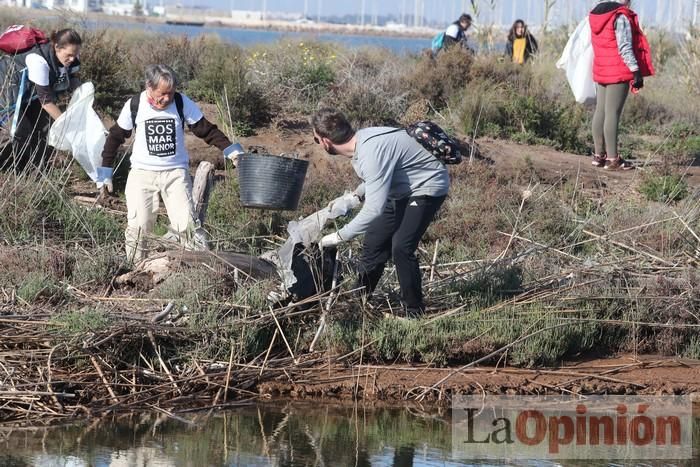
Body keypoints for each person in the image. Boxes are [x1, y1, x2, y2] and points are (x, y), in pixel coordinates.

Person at [312, 108, 449, 317]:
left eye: (315, 139)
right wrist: (355, 196)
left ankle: (414, 313)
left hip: (428, 186)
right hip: (400, 189)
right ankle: (359, 302)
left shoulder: (369, 152)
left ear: (325, 141)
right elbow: (379, 174)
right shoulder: (363, 142)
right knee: (374, 244)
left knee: (401, 247)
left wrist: (339, 236)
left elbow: (374, 208)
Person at [97, 64, 241, 263]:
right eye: (162, 94)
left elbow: (206, 130)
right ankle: (135, 268)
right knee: (139, 225)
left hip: (175, 174)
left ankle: (199, 268)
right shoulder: (135, 104)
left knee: (187, 226)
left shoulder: (181, 102)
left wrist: (230, 149)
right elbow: (115, 137)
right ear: (149, 86)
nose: (166, 99)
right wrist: (105, 170)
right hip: (142, 174)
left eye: (170, 94)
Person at [2, 28, 82, 170]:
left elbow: (74, 79)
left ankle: (37, 169)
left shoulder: (69, 59)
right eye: (69, 55)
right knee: (17, 130)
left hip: (29, 92)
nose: (72, 59)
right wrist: (67, 124)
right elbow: (46, 101)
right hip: (6, 89)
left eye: (75, 55)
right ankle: (8, 167)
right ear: (57, 47)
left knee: (45, 127)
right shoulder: (39, 61)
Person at [589, 0, 654, 170]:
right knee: (612, 114)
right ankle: (613, 160)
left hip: (602, 69)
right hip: (618, 70)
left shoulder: (597, 14)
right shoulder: (620, 16)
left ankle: (598, 156)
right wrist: (636, 70)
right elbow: (624, 47)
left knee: (600, 111)